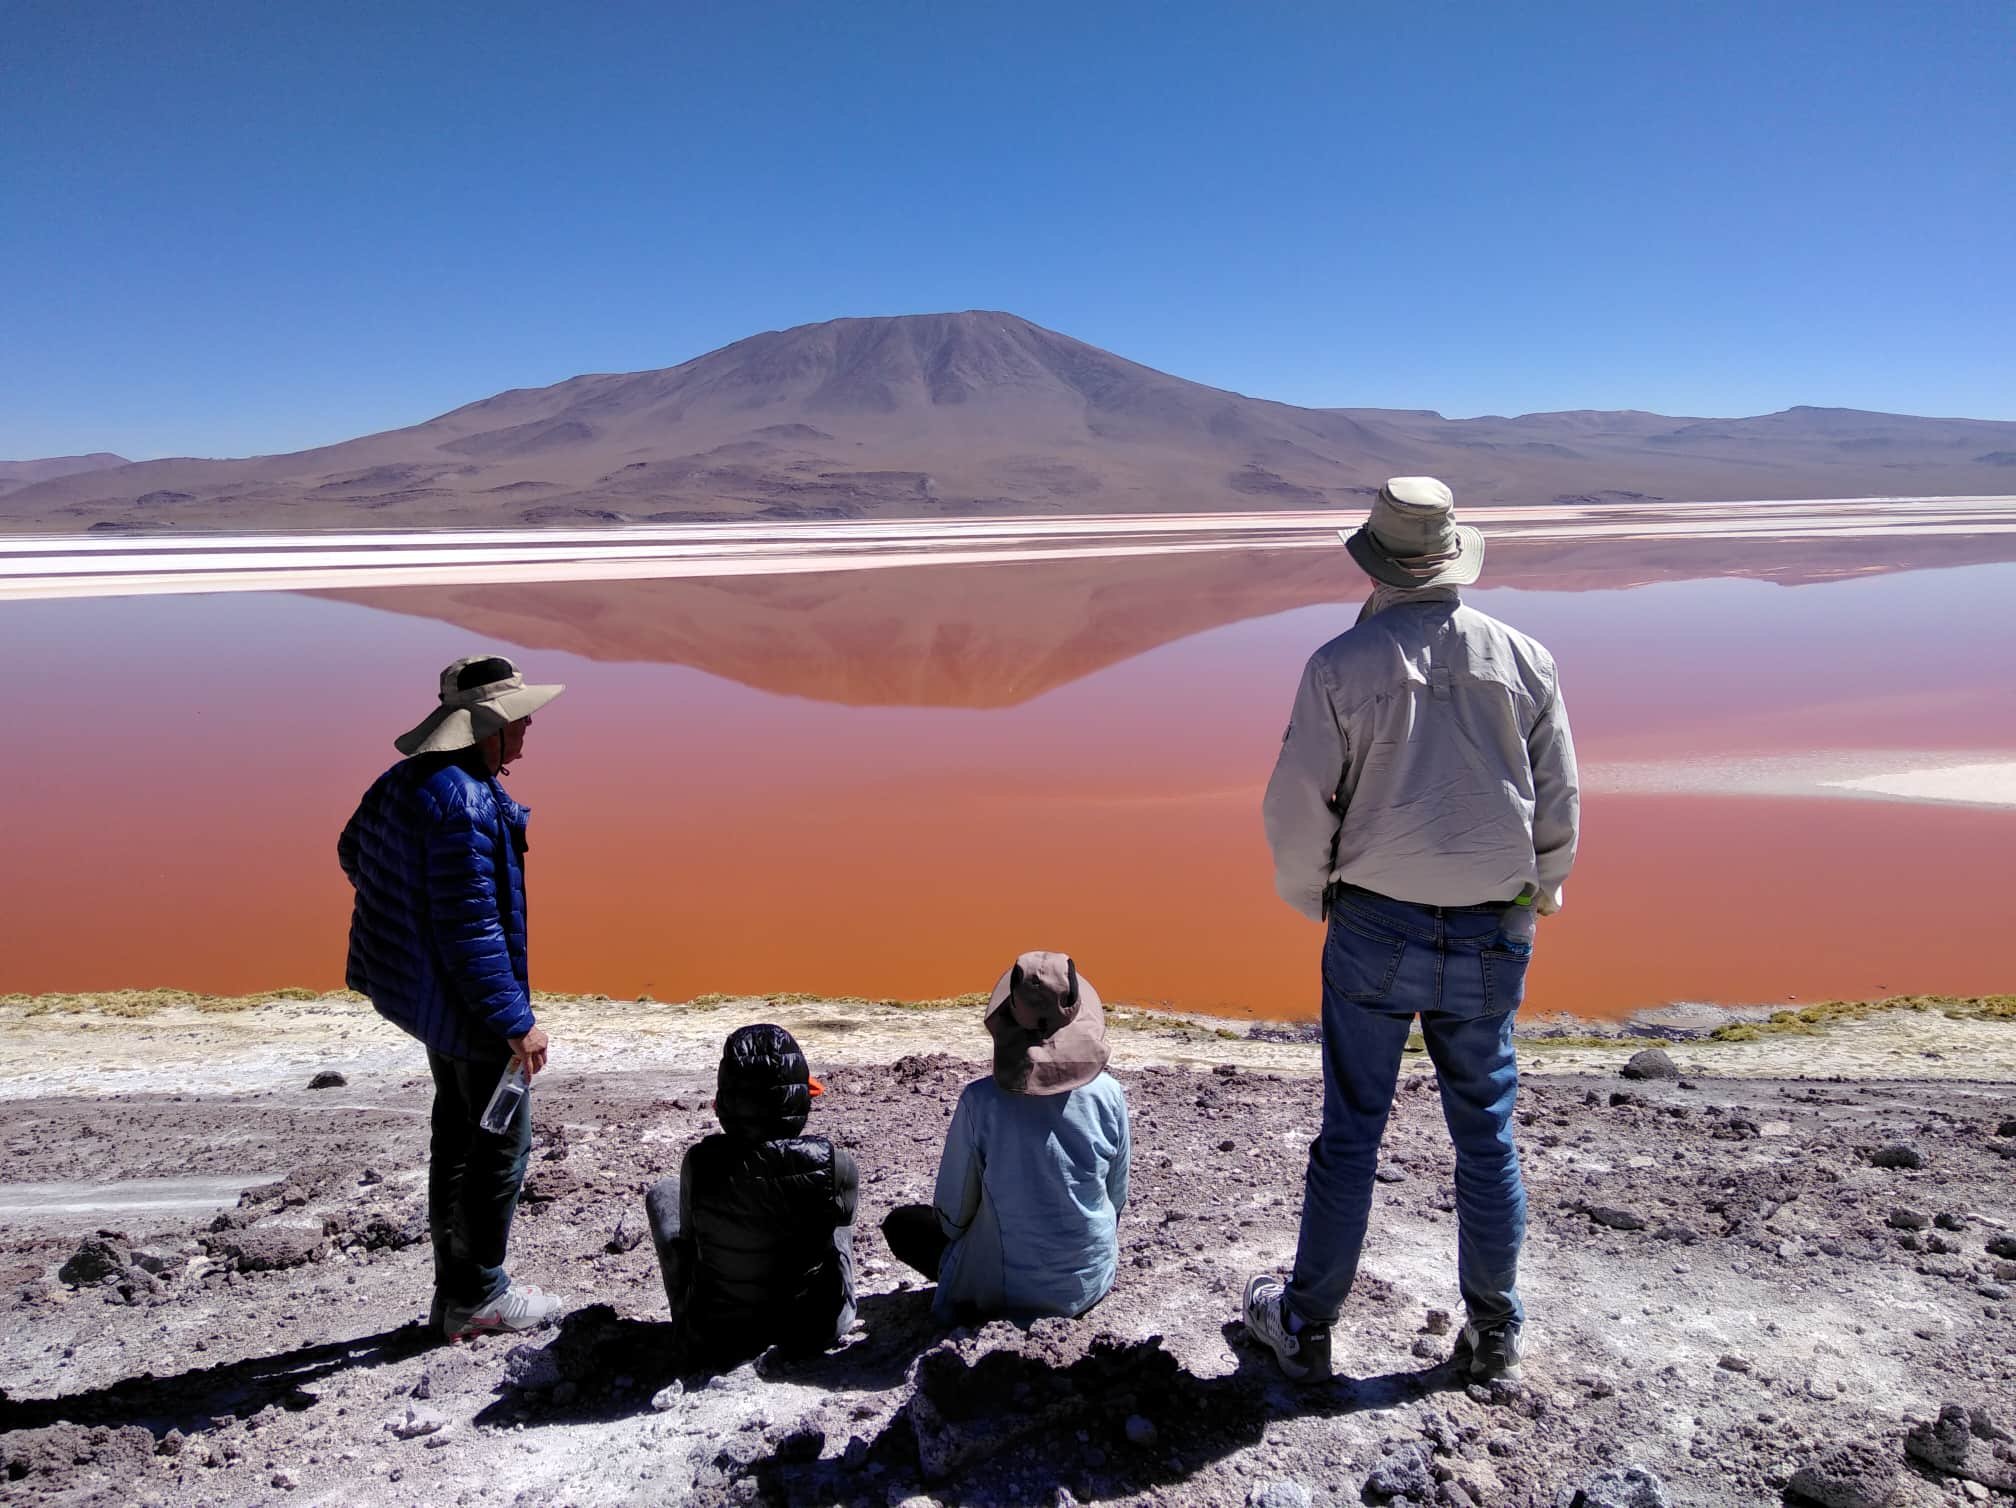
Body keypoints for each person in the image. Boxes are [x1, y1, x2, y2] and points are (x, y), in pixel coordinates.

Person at [1243, 477, 1580, 1385]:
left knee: (1351, 1130)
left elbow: (1296, 805)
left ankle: (1307, 1326)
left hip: (1373, 923)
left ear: (1377, 561)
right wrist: (1533, 900)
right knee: (1487, 1132)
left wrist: (1316, 896)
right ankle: (1494, 1331)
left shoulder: (1340, 665)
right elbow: (1558, 804)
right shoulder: (1526, 659)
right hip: (1489, 929)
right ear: (1452, 556)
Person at [338, 653, 568, 1341]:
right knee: (500, 1145)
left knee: (457, 1136)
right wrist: (516, 1023)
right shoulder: (466, 803)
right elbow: (474, 932)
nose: (527, 728)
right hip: (470, 1010)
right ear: (480, 730)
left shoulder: (406, 781)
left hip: (431, 1001)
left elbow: (354, 852)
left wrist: (411, 922)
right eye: (514, 718)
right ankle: (478, 1296)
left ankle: (454, 1293)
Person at [883, 952, 1130, 1324]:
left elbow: (953, 1220)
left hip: (1008, 1291)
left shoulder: (980, 1102)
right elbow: (1116, 1200)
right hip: (1087, 1282)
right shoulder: (1110, 1095)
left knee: (903, 1225)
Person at [643, 1024, 858, 1361]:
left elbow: (688, 1241)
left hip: (718, 1334)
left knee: (663, 1193)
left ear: (725, 1097)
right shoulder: (835, 1163)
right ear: (800, 1094)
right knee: (839, 1226)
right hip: (814, 1328)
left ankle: (685, 1318)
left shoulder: (699, 1163)